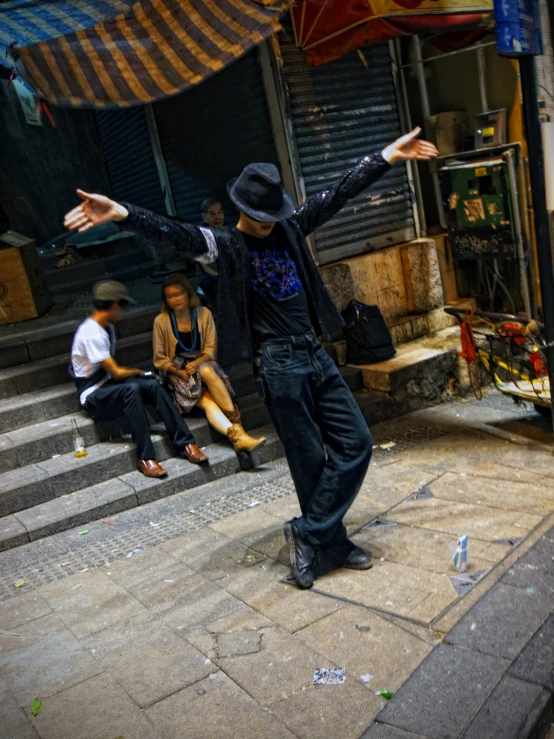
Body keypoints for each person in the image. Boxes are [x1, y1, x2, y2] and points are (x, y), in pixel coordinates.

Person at [64, 127, 438, 589]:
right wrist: (122, 213)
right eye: (259, 215)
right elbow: (174, 233)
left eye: (272, 214)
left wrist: (385, 156)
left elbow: (338, 192)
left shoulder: (291, 227)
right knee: (307, 462)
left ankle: (307, 531)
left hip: (315, 355)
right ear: (241, 207)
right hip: (278, 365)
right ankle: (332, 543)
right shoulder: (226, 245)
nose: (267, 222)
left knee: (357, 443)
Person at [70, 280, 209, 478]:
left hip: (109, 385)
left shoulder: (104, 327)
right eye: (122, 307)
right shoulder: (90, 333)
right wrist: (135, 372)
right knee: (132, 389)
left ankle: (186, 443)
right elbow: (117, 373)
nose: (122, 313)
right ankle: (145, 457)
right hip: (93, 396)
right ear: (115, 304)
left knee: (152, 385)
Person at [154, 273, 266, 454]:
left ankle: (238, 432)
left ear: (187, 294)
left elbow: (210, 350)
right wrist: (180, 371)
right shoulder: (162, 321)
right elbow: (160, 359)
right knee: (209, 403)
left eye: (178, 294)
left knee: (205, 370)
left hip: (204, 363)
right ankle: (239, 436)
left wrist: (197, 362)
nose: (174, 299)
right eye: (170, 296)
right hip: (179, 373)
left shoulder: (203, 314)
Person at [197, 197, 224, 308]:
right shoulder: (200, 236)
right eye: (212, 214)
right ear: (204, 217)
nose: (217, 217)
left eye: (220, 213)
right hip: (210, 276)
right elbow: (207, 267)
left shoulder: (228, 232)